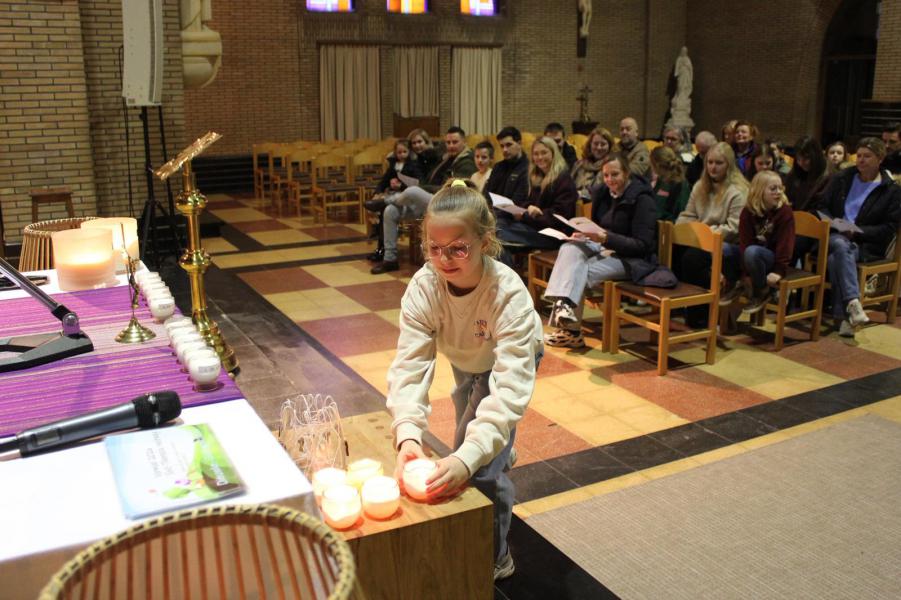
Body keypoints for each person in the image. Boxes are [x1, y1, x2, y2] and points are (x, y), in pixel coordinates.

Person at [386, 180, 543, 581]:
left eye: (458, 248)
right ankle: (498, 447)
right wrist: (408, 435)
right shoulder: (424, 288)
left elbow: (507, 392)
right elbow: (410, 367)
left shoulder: (508, 294)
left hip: (506, 359)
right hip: (466, 355)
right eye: (434, 248)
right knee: (472, 430)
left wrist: (469, 457)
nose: (444, 259)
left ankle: (495, 557)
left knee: (478, 468)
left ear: (485, 242)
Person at [542, 153, 657, 347]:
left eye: (615, 174)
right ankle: (565, 312)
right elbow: (597, 226)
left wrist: (607, 238)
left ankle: (570, 331)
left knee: (576, 271)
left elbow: (642, 245)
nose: (610, 180)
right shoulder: (603, 192)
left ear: (626, 173)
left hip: (632, 259)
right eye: (606, 175)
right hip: (604, 248)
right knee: (570, 247)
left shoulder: (642, 199)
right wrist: (585, 235)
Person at [816, 137, 901, 338]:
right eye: (859, 155)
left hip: (865, 244)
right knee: (839, 244)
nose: (861, 160)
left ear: (880, 158)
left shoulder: (891, 190)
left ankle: (845, 315)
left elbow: (889, 228)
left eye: (867, 156)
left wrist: (858, 231)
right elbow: (821, 206)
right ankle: (853, 303)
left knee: (836, 256)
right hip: (835, 234)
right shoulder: (842, 178)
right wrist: (835, 223)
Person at [373, 126, 476, 274]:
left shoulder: (466, 162)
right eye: (448, 142)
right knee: (391, 211)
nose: (451, 146)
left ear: (464, 142)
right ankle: (390, 259)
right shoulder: (446, 158)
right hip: (432, 200)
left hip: (448, 204)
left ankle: (385, 200)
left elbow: (453, 188)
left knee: (413, 191)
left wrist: (423, 188)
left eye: (455, 142)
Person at [676, 142, 748, 326]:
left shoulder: (737, 191)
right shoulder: (701, 186)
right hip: (702, 239)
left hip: (729, 245)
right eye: (710, 162)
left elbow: (734, 228)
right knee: (673, 248)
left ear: (729, 165)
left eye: (719, 163)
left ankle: (701, 313)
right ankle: (679, 304)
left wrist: (702, 234)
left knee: (692, 258)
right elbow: (688, 214)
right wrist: (683, 230)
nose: (713, 167)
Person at [495, 136, 578, 258]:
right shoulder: (536, 177)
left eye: (544, 153)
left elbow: (559, 217)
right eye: (536, 154)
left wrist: (528, 215)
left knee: (498, 236)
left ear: (554, 153)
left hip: (553, 234)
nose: (539, 157)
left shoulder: (564, 180)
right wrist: (528, 207)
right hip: (534, 226)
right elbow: (525, 201)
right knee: (498, 223)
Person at [738, 171, 796, 314]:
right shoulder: (748, 211)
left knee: (752, 252)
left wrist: (779, 271)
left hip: (772, 258)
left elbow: (786, 246)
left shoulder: (785, 212)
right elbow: (744, 243)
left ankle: (762, 291)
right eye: (773, 189)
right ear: (759, 191)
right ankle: (738, 285)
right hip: (752, 258)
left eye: (780, 188)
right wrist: (745, 274)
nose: (778, 192)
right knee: (725, 249)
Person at [365, 139, 424, 263]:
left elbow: (417, 184)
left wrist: (400, 185)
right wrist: (377, 192)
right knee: (383, 212)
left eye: (404, 152)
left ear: (409, 152)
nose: (402, 154)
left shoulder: (414, 165)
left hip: (407, 198)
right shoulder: (393, 165)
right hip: (394, 195)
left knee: (384, 208)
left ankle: (382, 248)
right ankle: (381, 248)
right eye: (399, 152)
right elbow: (384, 181)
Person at [483, 126, 529, 206]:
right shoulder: (498, 167)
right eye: (502, 146)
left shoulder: (527, 169)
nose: (505, 150)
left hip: (512, 212)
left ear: (519, 144)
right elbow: (487, 194)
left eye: (508, 145)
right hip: (492, 210)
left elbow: (518, 202)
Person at [784, 136, 827, 212]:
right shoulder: (795, 171)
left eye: (806, 158)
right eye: (798, 159)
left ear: (816, 156)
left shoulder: (826, 177)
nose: (801, 163)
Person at [570, 127, 614, 199]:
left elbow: (606, 192)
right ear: (590, 145)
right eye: (595, 144)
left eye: (603, 144)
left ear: (610, 146)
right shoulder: (579, 164)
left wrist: (581, 194)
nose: (599, 147)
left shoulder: (613, 167)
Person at [650, 146, 691, 222]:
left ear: (657, 165)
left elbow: (680, 215)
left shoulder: (680, 185)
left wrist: (658, 215)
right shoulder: (661, 180)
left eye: (651, 164)